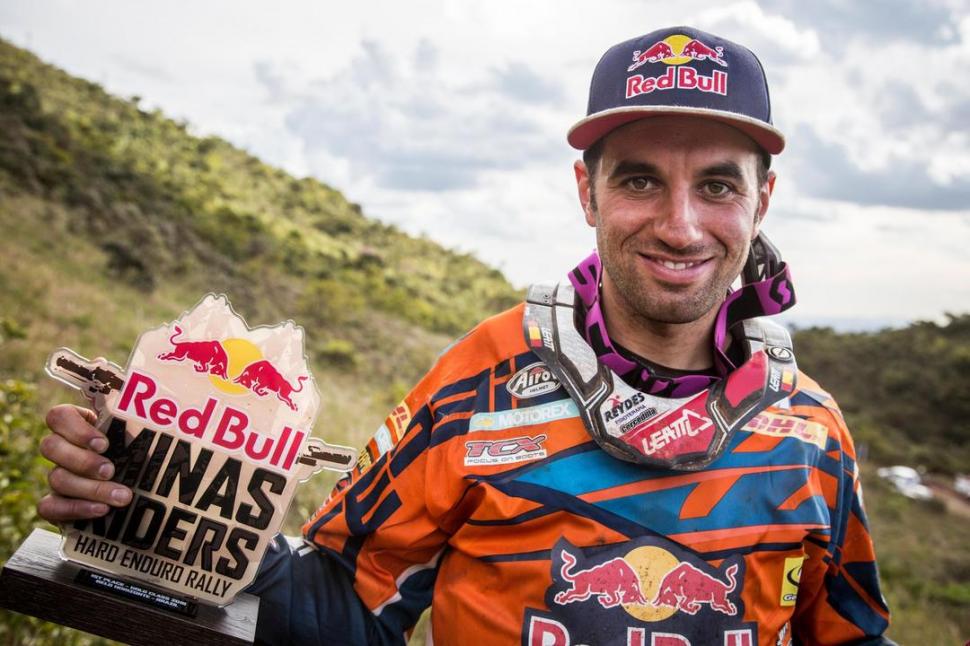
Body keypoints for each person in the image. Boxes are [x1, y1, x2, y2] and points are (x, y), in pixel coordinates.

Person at [37, 26, 893, 645]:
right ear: (587, 193)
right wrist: (169, 498)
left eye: (717, 186)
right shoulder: (484, 380)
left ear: (762, 200)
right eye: (639, 181)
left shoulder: (810, 436)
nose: (680, 225)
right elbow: (352, 604)